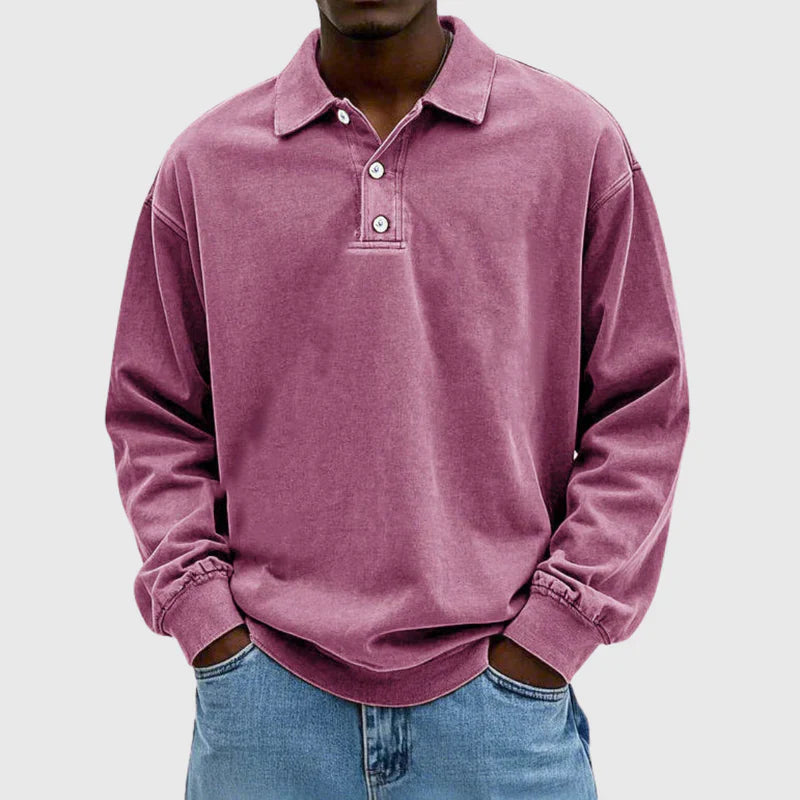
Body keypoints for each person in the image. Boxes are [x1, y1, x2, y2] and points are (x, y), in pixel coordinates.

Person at [104, 2, 690, 798]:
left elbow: (642, 407)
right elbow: (154, 415)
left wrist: (554, 633)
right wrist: (208, 624)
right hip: (265, 715)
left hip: (501, 721)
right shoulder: (205, 165)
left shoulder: (574, 144)